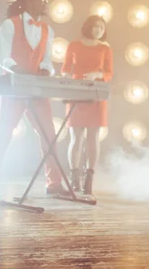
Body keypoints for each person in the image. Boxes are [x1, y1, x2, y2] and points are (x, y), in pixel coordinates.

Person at [0, 0, 67, 203]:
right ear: (27, 2)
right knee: (3, 135)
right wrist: (20, 70)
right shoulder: (10, 24)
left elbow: (47, 59)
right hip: (15, 88)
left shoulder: (47, 29)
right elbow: (2, 58)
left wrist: (46, 68)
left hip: (36, 90)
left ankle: (54, 184)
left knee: (49, 136)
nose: (45, 2)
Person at [61, 15, 113, 203]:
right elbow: (65, 68)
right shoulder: (74, 45)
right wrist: (66, 80)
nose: (99, 29)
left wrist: (97, 74)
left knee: (93, 137)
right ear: (88, 26)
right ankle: (75, 177)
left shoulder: (105, 48)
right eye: (96, 26)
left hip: (96, 94)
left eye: (102, 27)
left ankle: (89, 178)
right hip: (76, 92)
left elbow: (109, 73)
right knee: (76, 137)